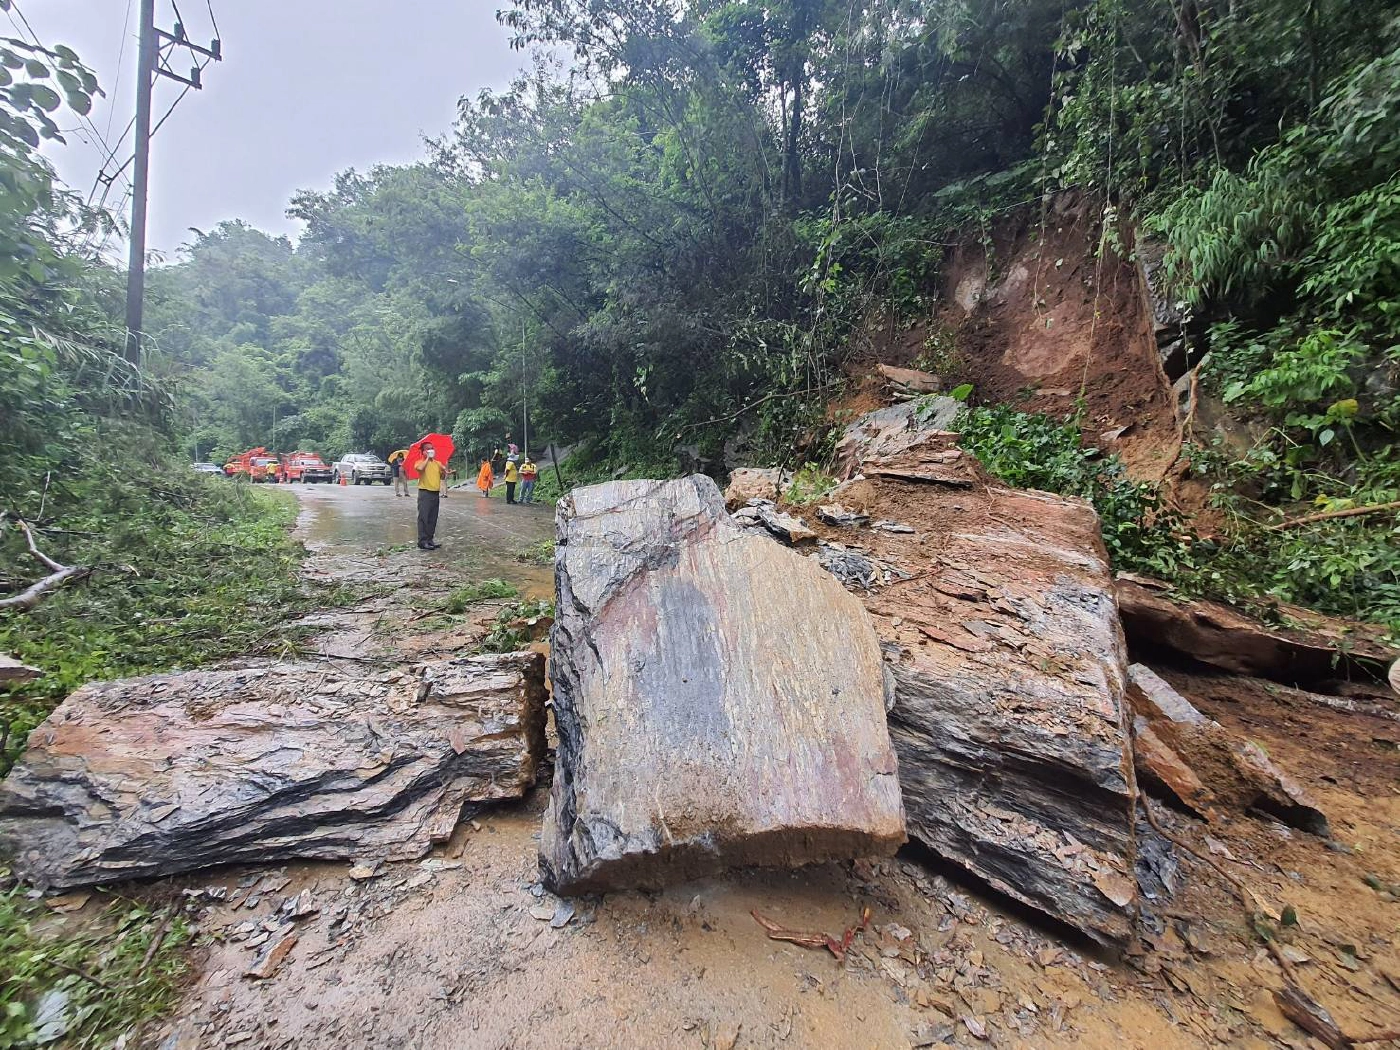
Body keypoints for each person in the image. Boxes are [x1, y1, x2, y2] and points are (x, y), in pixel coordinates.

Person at [414, 445, 446, 550]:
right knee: (424, 517)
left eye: (432, 448)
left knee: (433, 517)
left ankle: (429, 539)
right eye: (427, 449)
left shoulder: (437, 463)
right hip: (425, 492)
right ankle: (422, 541)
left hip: (435, 493)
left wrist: (444, 471)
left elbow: (442, 477)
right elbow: (420, 469)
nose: (431, 450)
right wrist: (427, 458)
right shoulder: (420, 462)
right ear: (423, 452)